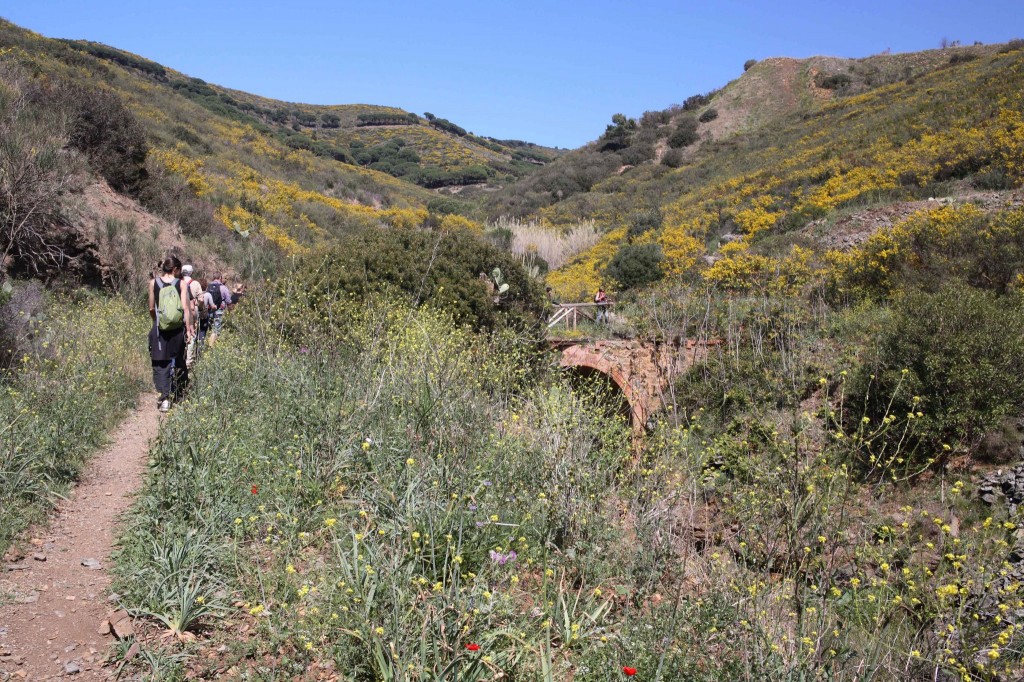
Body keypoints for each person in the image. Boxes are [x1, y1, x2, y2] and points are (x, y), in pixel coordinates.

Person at [148, 256, 192, 412]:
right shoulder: (181, 284)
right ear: (175, 269)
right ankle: (179, 394)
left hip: (160, 329)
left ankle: (164, 398)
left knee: (160, 362)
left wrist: (157, 322)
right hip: (177, 329)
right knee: (178, 359)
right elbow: (185, 308)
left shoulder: (154, 283)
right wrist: (188, 328)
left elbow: (151, 308)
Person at [181, 264, 206, 369]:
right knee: (192, 333)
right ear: (191, 272)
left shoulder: (177, 282)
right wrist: (200, 309)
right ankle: (189, 360)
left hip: (179, 310)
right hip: (192, 310)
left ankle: (180, 355)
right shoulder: (195, 283)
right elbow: (201, 299)